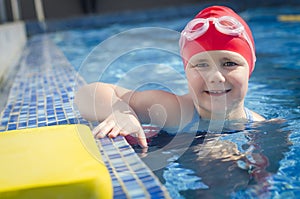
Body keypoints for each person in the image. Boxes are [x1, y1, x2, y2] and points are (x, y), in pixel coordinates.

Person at [74, 6, 265, 148]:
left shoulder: (261, 128)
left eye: (229, 63)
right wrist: (123, 114)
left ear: (249, 69)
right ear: (186, 72)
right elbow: (86, 95)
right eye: (201, 65)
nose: (215, 77)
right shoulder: (174, 110)